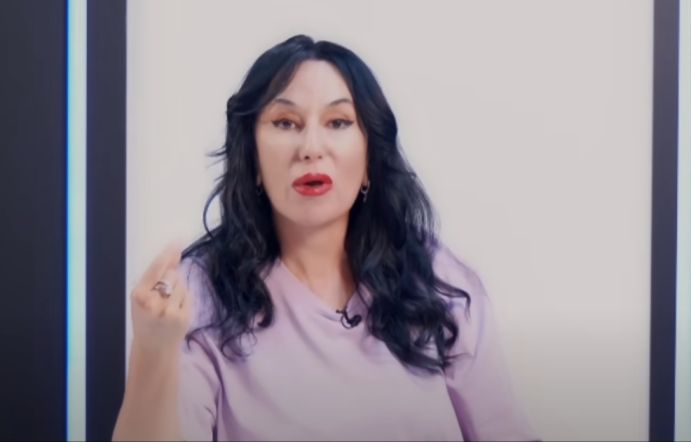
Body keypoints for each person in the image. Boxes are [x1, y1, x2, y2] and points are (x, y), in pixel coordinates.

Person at [112, 34, 538, 441]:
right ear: (252, 157)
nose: (311, 147)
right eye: (285, 122)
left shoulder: (438, 279)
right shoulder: (199, 295)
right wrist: (152, 352)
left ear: (370, 157)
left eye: (338, 122)